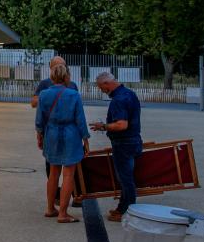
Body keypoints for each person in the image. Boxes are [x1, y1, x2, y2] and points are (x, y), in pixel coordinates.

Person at [35, 63, 90, 223]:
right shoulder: (73, 95)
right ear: (66, 77)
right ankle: (63, 213)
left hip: (51, 134)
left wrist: (40, 136)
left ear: (52, 77)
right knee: (68, 175)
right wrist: (85, 139)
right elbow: (80, 120)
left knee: (53, 173)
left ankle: (50, 208)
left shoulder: (44, 94)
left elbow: (39, 120)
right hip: (70, 135)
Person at [91, 72, 142, 222]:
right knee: (126, 177)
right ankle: (122, 207)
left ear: (107, 83)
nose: (102, 90)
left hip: (123, 144)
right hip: (133, 141)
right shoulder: (130, 94)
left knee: (125, 179)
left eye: (101, 87)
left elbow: (121, 124)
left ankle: (127, 211)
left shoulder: (118, 100)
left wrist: (103, 126)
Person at [32, 56, 80, 205]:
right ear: (51, 68)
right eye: (57, 66)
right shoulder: (45, 85)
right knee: (57, 169)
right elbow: (34, 102)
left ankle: (72, 196)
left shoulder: (72, 86)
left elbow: (39, 117)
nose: (61, 68)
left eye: (62, 65)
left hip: (53, 131)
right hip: (59, 131)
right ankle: (58, 200)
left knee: (64, 169)